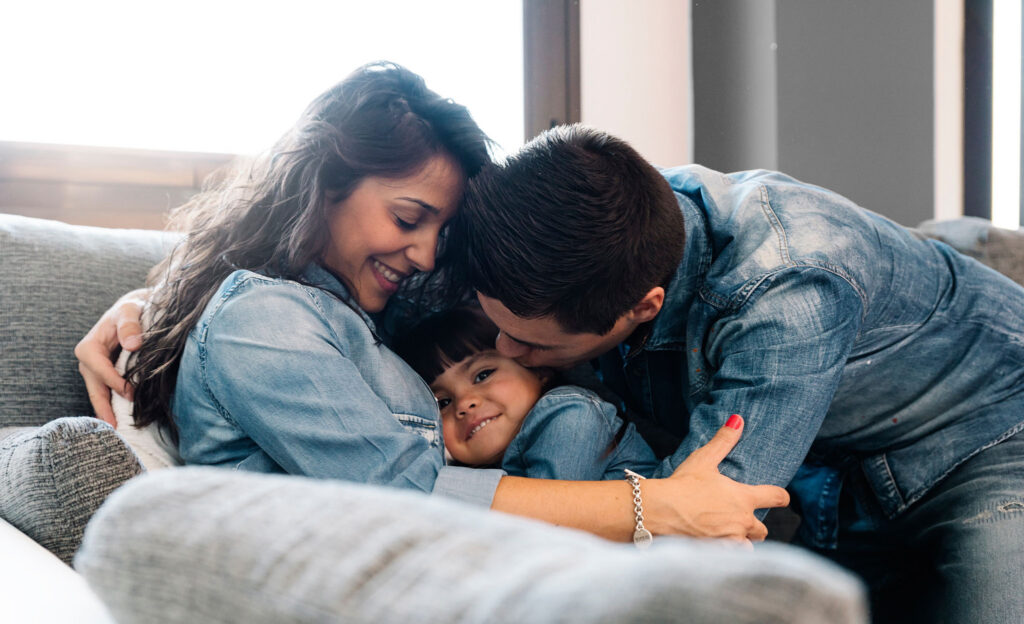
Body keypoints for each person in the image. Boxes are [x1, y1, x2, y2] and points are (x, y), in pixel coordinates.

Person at [74, 66, 789, 545]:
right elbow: (403, 490)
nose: (423, 254)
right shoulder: (262, 321)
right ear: (324, 185)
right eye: (409, 217)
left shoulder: (359, 305)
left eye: (441, 231)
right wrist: (652, 507)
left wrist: (149, 297)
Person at [445, 124, 1024, 624]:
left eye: (533, 343)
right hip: (849, 472)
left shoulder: (787, 291)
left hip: (999, 439)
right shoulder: (604, 228)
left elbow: (708, 520)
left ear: (644, 307)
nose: (506, 349)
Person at [393, 307, 660, 479]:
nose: (465, 404)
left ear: (537, 369)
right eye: (443, 402)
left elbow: (545, 528)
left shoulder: (570, 415)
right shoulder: (471, 478)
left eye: (483, 375)